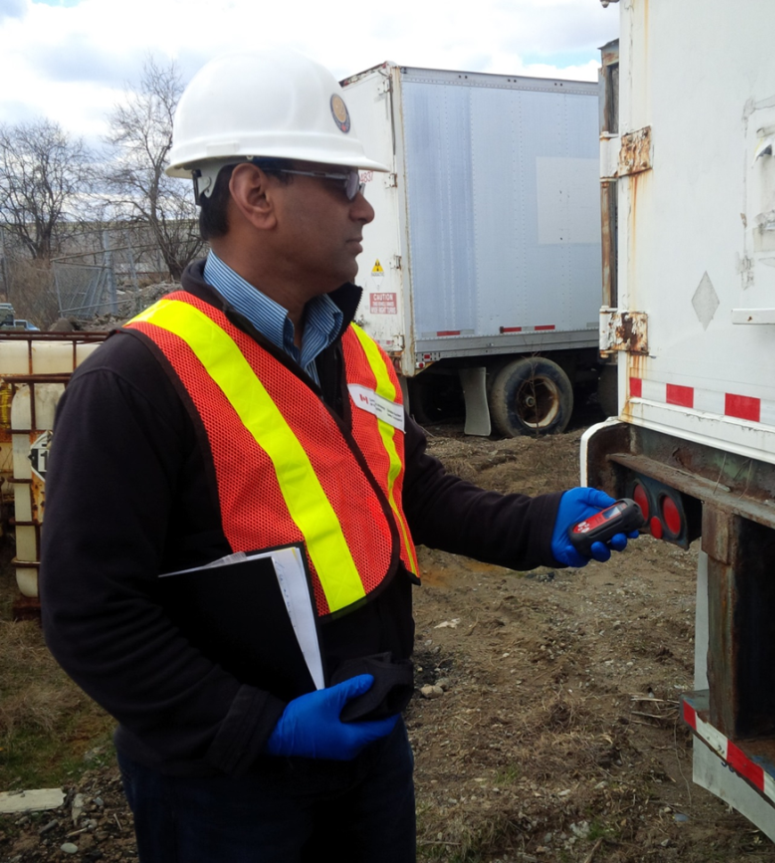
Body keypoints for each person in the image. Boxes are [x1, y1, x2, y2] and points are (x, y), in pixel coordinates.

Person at [40, 49, 634, 863]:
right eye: (343, 185)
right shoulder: (134, 380)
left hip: (365, 746)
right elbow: (89, 613)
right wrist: (257, 723)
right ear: (255, 194)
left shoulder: (349, 348)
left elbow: (409, 488)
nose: (364, 211)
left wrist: (535, 525)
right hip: (225, 788)